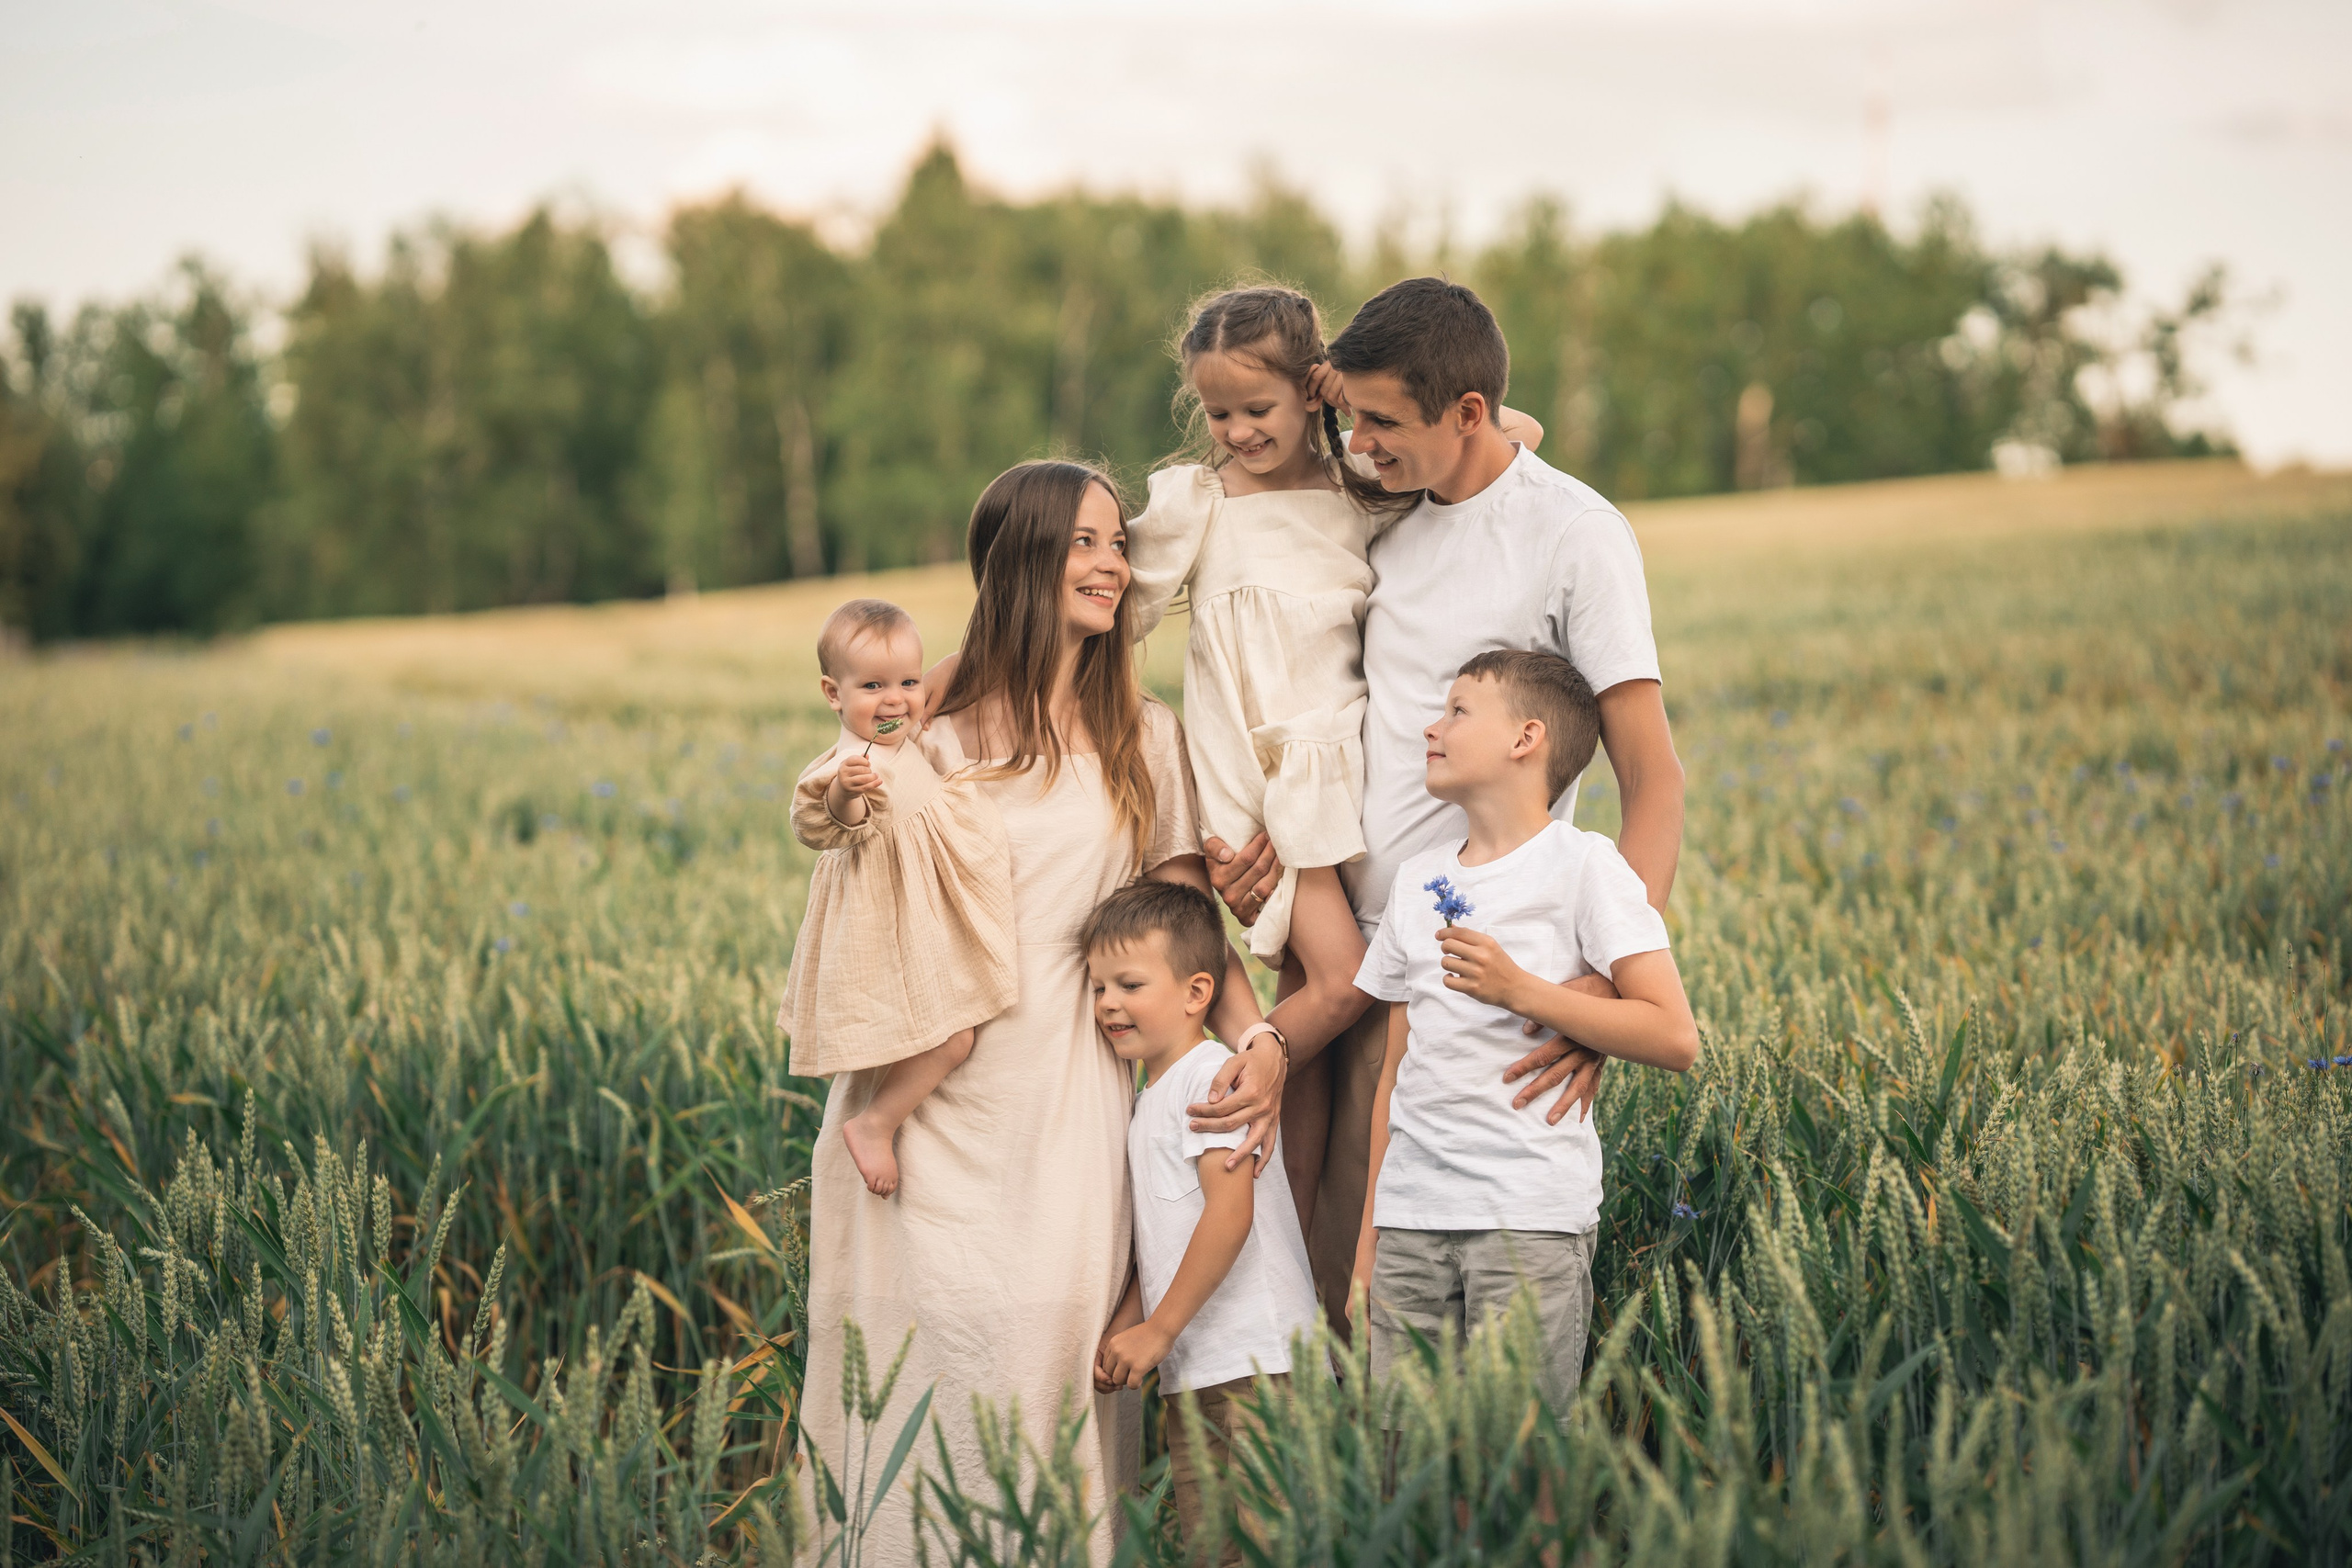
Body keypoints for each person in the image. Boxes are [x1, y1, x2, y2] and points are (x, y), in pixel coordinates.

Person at [797, 461, 1289, 1565]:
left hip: (1064, 1106)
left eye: (1118, 542)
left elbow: (1184, 926)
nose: (1112, 563)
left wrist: (1254, 1034)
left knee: (1039, 1382)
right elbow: (851, 879)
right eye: (1083, 542)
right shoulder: (927, 735)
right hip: (917, 1116)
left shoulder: (1141, 737)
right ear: (1019, 558)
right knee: (908, 1388)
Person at [1206, 276, 1686, 1318]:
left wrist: (1602, 997)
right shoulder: (1387, 507)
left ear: (1465, 414)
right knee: (1290, 1251)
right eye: (1352, 417)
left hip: (1449, 968)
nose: (1359, 445)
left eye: (1383, 424)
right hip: (1326, 933)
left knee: (1382, 1295)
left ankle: (1424, 1483)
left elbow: (1654, 781)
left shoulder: (1574, 535)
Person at [1125, 283, 1546, 1241]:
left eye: (1259, 408)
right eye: (1218, 412)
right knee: (1343, 984)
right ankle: (1253, 1075)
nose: (1235, 431)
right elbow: (1106, 603)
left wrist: (1339, 395)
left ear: (1312, 393)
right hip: (1262, 786)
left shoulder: (1363, 490)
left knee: (1324, 1039)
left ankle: (1300, 1272)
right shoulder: (1200, 504)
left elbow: (1513, 427)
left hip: (1341, 783)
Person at [1351, 650, 1698, 1411]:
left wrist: (1522, 990)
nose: (1432, 728)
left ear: (1526, 738)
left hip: (1527, 1219)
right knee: (1406, 1469)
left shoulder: (1586, 867)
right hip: (1411, 1222)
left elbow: (1674, 1034)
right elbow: (1394, 1076)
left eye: (1458, 710)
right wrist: (1367, 1243)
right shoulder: (1417, 882)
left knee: (1521, 1465)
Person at [1082, 881, 1320, 1565]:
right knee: (1213, 1547)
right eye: (1098, 987)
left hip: (1260, 1362)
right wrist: (1132, 1319)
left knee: (1266, 1543)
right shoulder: (1148, 1097)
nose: (1108, 1003)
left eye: (1128, 983)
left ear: (1196, 993)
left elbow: (1230, 1214)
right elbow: (1165, 1235)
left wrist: (1157, 1329)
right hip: (1199, 1367)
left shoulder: (1209, 1079)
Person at [778, 597, 1017, 1197]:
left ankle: (878, 1117)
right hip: (890, 917)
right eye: (873, 686)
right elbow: (824, 822)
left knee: (960, 1024)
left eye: (908, 682)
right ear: (834, 694)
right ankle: (875, 1121)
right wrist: (846, 793)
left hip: (926, 905)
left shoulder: (905, 736)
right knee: (953, 1035)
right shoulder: (849, 763)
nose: (895, 699)